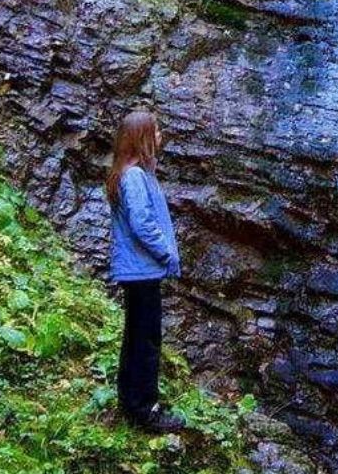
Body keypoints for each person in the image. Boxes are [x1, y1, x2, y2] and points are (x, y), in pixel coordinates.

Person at [106, 108, 186, 433]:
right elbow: (142, 223)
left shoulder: (130, 173)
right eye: (155, 131)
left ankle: (130, 402)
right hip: (142, 271)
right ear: (141, 137)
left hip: (137, 271)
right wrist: (166, 252)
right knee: (147, 341)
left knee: (135, 338)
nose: (160, 137)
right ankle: (146, 411)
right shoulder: (135, 177)